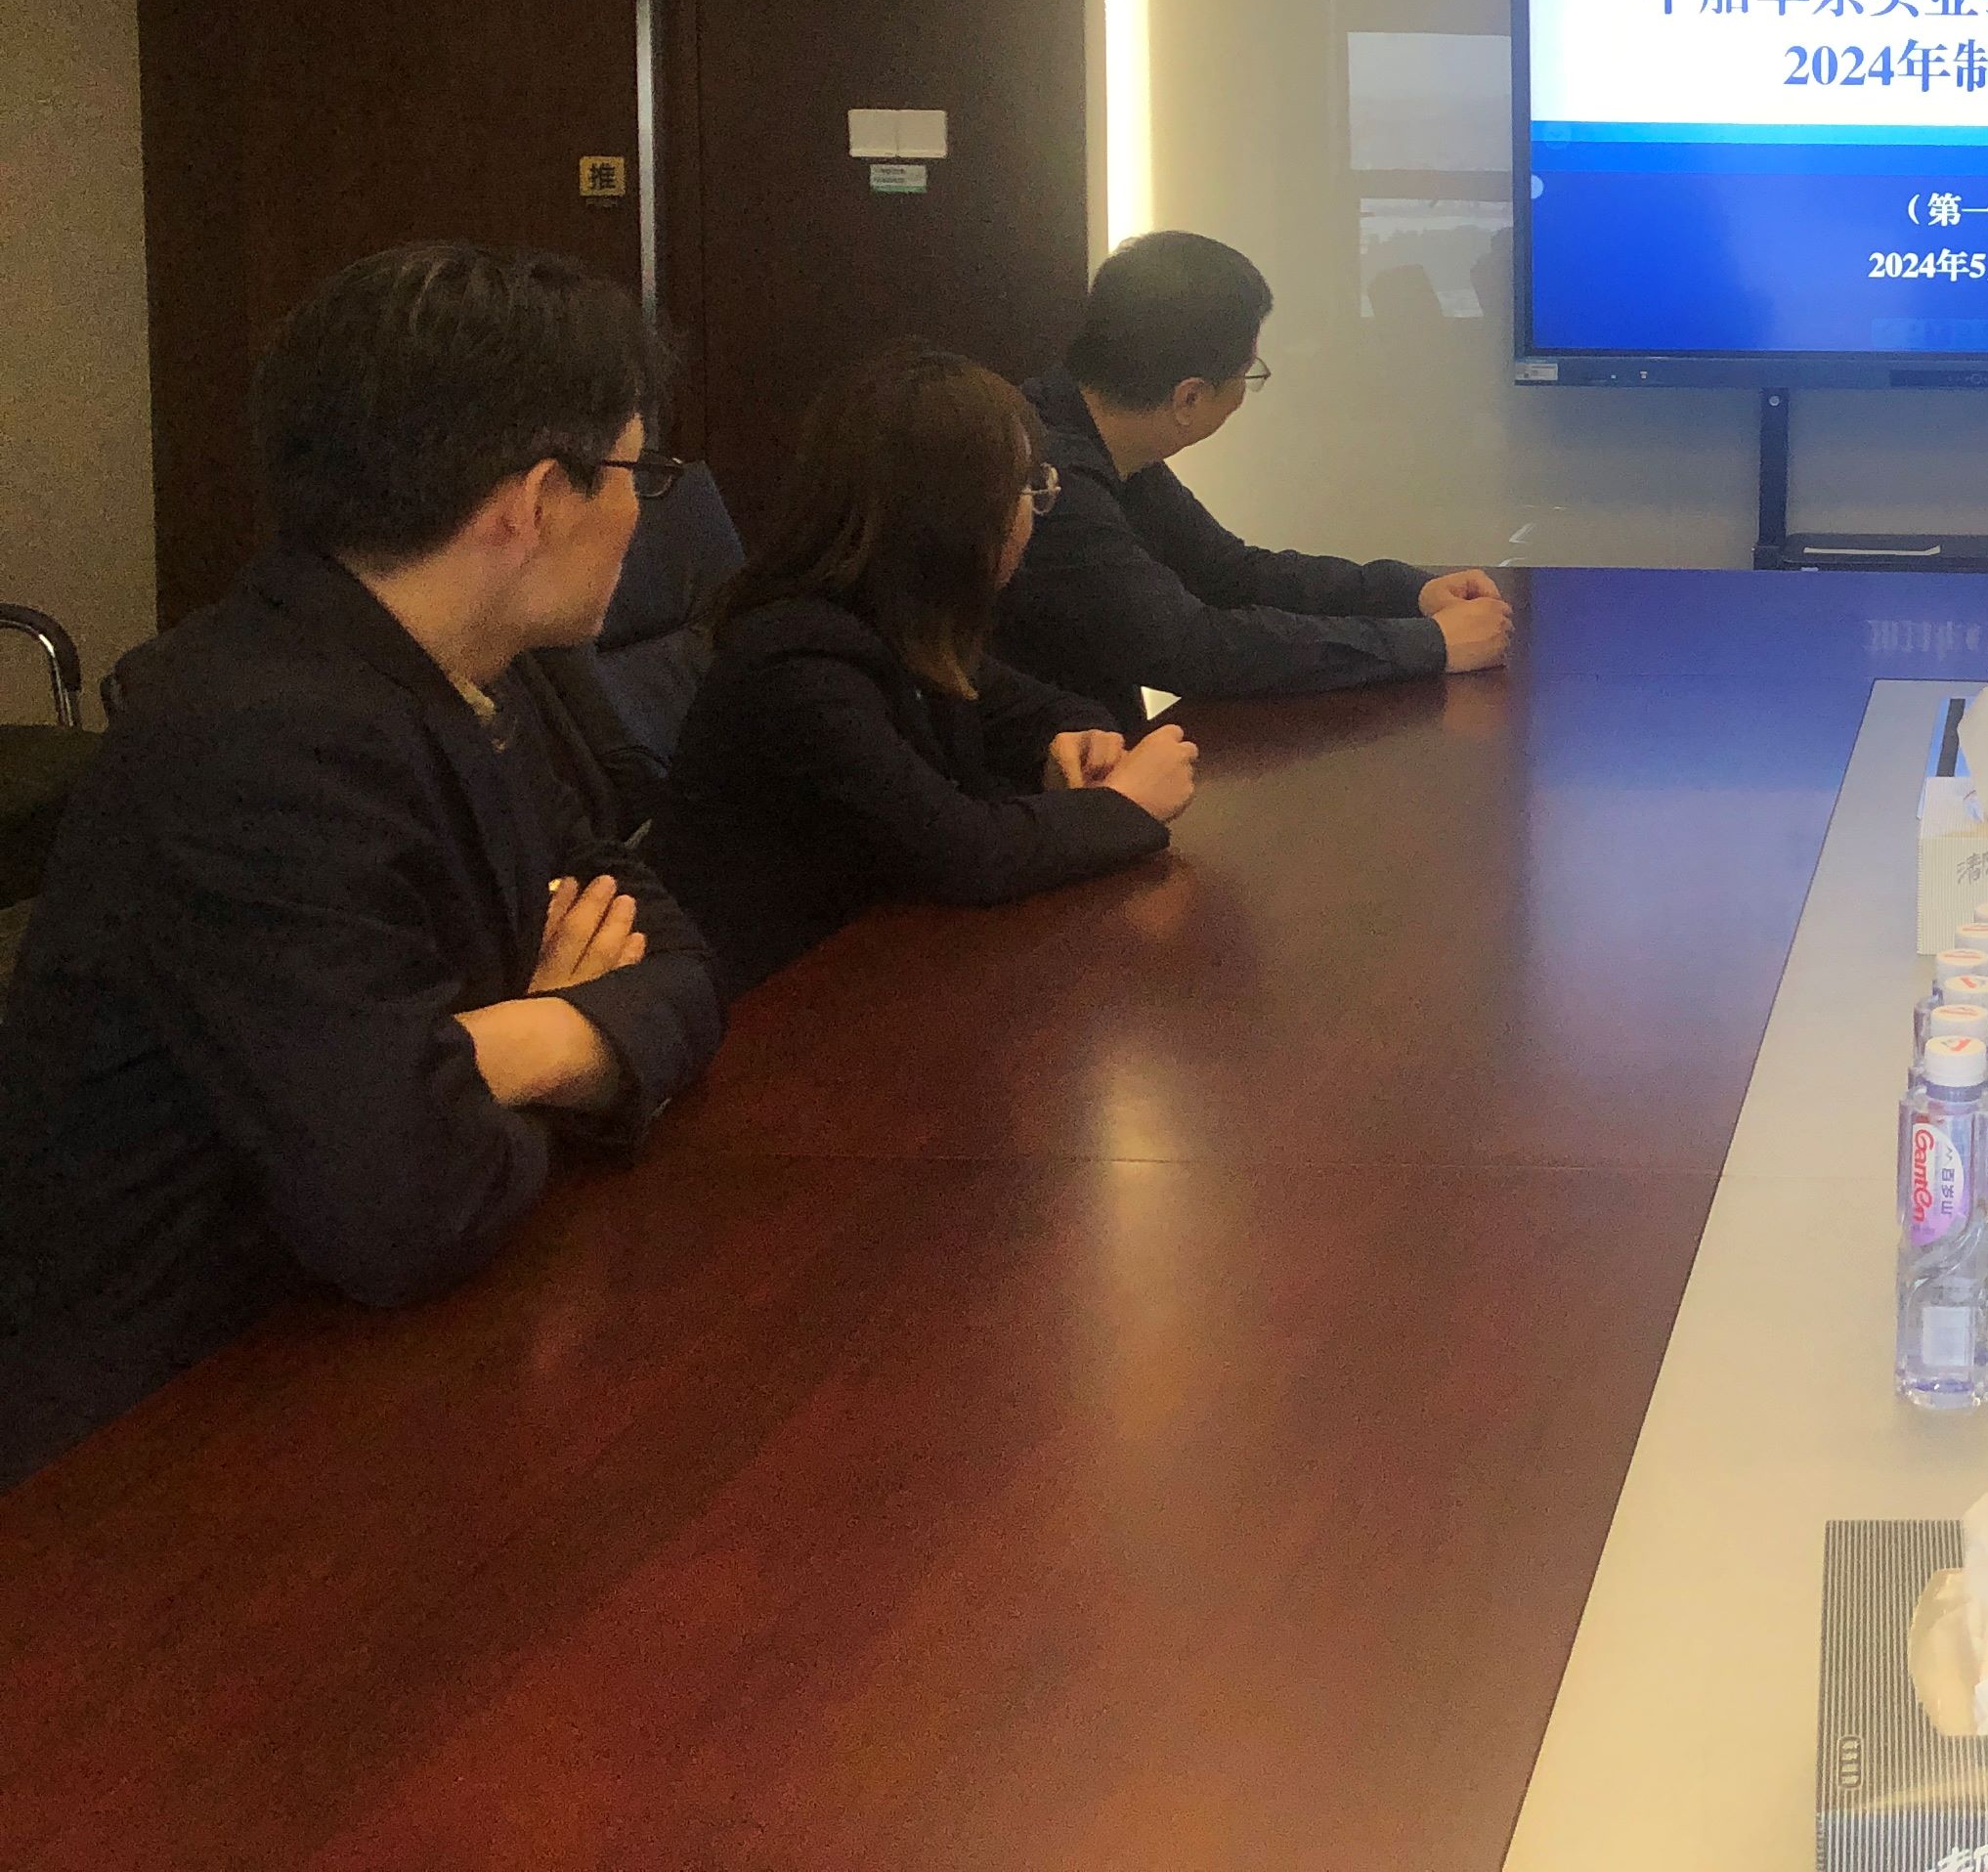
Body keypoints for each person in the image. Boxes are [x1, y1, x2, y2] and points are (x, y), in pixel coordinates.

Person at [0, 243, 723, 1485]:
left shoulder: (470, 672)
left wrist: (512, 1044)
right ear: (532, 503)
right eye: (634, 471)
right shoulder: (257, 738)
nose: (642, 513)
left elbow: (678, 955)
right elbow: (408, 1204)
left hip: (364, 1355)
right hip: (162, 1435)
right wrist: (551, 1035)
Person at [657, 345, 1201, 996]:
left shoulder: (904, 623)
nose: (1032, 512)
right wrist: (1123, 804)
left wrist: (1074, 742)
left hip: (884, 964)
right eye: (1025, 489)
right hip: (772, 1009)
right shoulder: (799, 661)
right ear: (953, 518)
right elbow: (963, 852)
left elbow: (1045, 707)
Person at [995, 232, 1513, 732]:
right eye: (1248, 375)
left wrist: (1409, 592)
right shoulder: (1049, 476)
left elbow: (1227, 572)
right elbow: (1191, 648)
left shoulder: (1104, 436)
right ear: (1189, 398)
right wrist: (1428, 645)